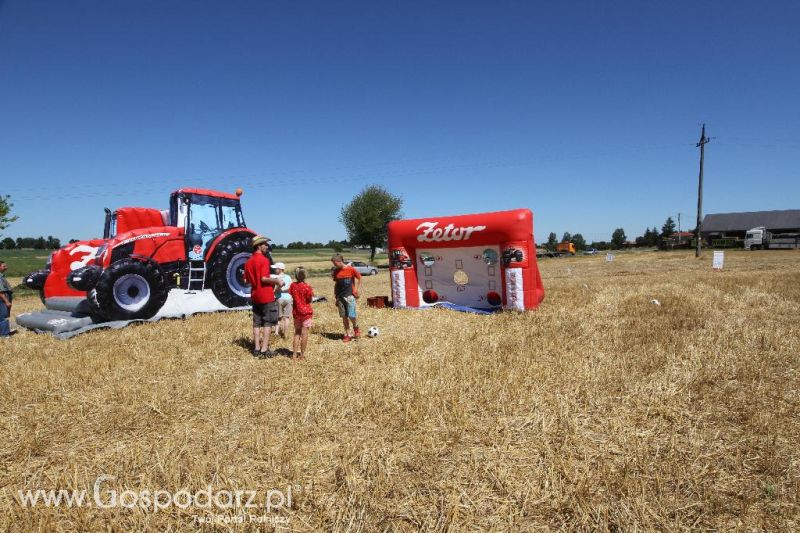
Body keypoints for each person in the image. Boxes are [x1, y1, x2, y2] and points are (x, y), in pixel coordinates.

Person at [243, 236, 284, 358]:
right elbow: (264, 278)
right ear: (259, 245)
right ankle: (264, 350)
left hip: (255, 295)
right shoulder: (264, 260)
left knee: (256, 323)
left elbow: (245, 280)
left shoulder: (248, 261)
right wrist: (277, 281)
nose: (267, 246)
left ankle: (256, 348)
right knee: (268, 322)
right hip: (266, 295)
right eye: (265, 244)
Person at [331, 254, 362, 342]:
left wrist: (356, 289)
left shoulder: (351, 269)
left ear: (339, 261)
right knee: (344, 317)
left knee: (352, 315)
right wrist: (336, 297)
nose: (334, 265)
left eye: (335, 263)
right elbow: (336, 285)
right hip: (340, 297)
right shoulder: (336, 271)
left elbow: (359, 278)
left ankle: (356, 328)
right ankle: (348, 334)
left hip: (349, 296)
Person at [288, 266, 314, 360]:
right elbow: (309, 299)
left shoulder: (293, 286)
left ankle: (294, 354)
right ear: (305, 276)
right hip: (306, 314)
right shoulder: (307, 287)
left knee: (297, 333)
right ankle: (302, 355)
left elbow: (291, 294)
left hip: (296, 313)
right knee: (305, 334)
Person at [271, 262, 293, 339]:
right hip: (288, 298)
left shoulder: (275, 278)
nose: (274, 270)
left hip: (279, 298)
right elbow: (290, 287)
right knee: (287, 318)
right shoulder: (289, 277)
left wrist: (275, 291)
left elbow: (275, 289)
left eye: (276, 268)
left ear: (280, 269)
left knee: (278, 317)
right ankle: (285, 334)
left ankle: (276, 333)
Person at [0, 261, 12, 338]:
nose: (6, 267)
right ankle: (5, 334)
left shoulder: (2, 276)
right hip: (2, 299)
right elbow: (0, 291)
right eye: (4, 266)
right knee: (3, 316)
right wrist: (7, 301)